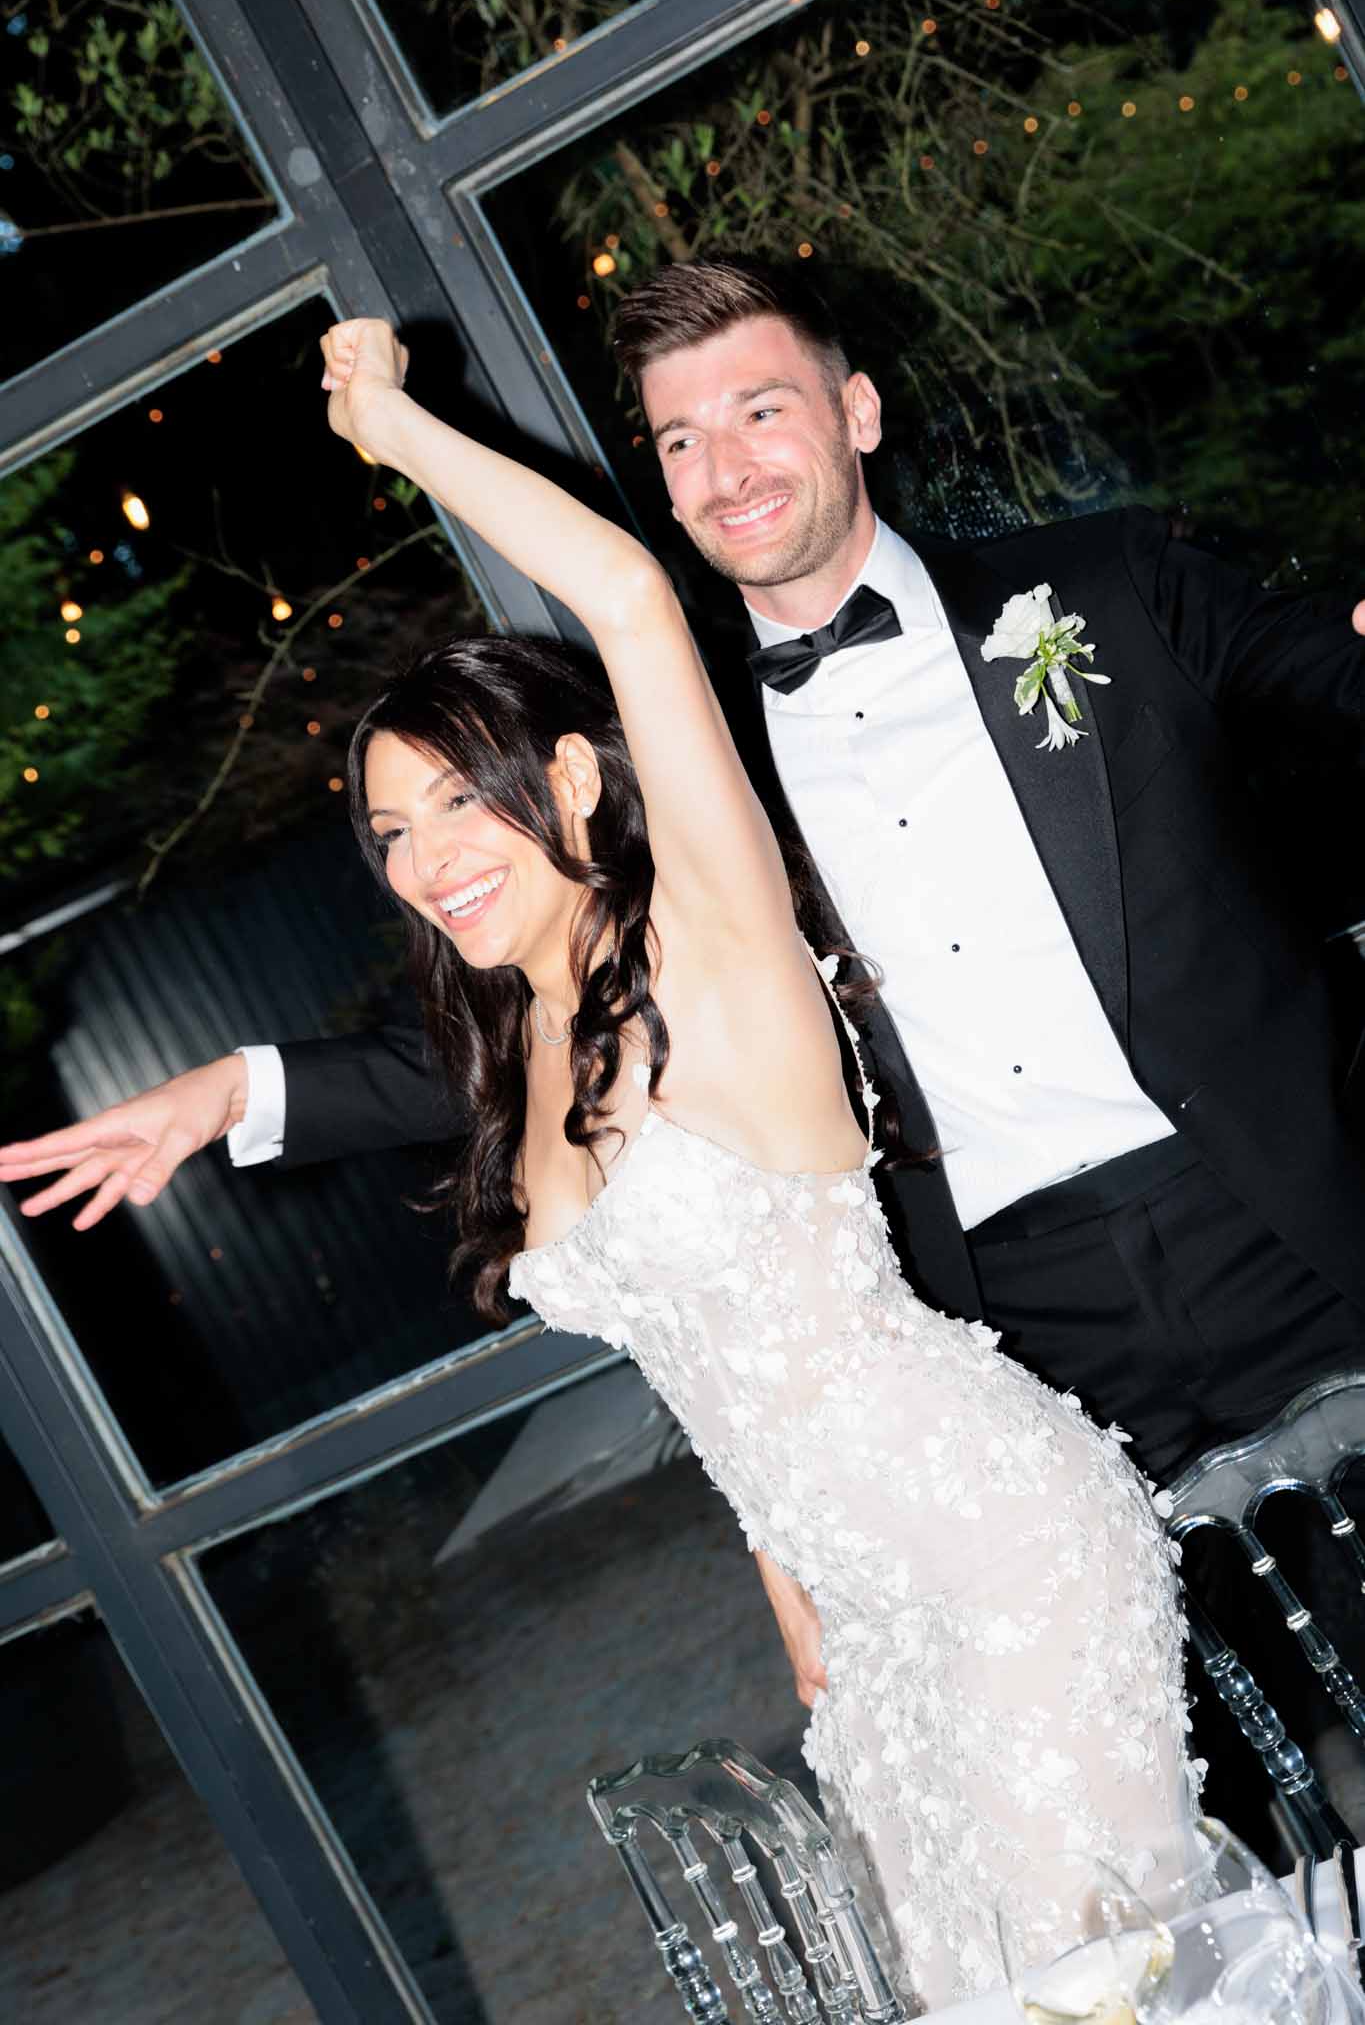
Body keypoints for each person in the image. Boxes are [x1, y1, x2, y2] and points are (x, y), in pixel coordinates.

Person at [3, 259, 1363, 1724]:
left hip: (1282, 1210)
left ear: (855, 411)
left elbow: (1323, 679)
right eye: (678, 440)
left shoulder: (1103, 586)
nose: (726, 467)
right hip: (1011, 1325)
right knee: (1206, 1762)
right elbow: (550, 1005)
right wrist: (232, 1089)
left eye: (760, 410)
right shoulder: (679, 756)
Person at [315, 314, 1191, 2002]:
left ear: (570, 776)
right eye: (391, 832)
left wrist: (400, 437)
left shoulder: (717, 935)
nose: (425, 861)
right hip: (859, 1627)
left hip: (1002, 1546)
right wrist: (800, 1618)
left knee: (1092, 1987)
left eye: (455, 807)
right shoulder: (527, 1045)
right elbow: (728, 1397)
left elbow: (636, 601)